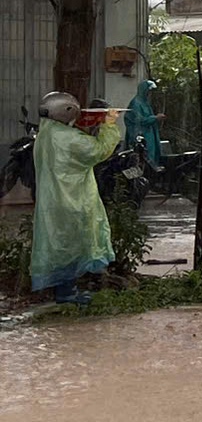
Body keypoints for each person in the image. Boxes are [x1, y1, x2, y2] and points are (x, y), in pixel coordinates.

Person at [31, 91, 121, 305]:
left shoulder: (46, 133)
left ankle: (65, 291)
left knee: (61, 244)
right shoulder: (69, 138)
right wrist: (108, 126)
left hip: (53, 199)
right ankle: (67, 293)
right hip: (72, 198)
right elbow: (98, 150)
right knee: (72, 245)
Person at [123, 77, 165, 174]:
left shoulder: (145, 103)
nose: (150, 94)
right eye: (149, 91)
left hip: (149, 135)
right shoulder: (136, 103)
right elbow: (139, 120)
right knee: (142, 159)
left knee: (151, 157)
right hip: (140, 136)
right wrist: (155, 118)